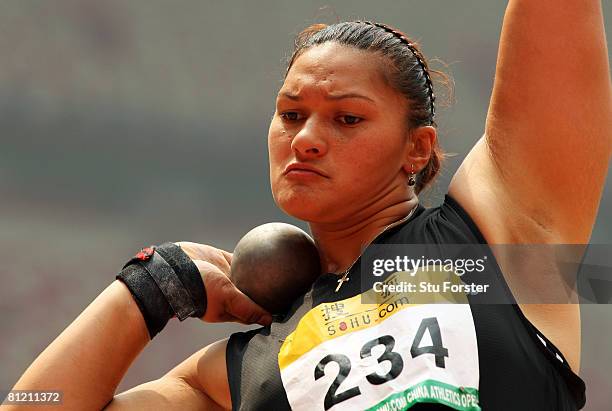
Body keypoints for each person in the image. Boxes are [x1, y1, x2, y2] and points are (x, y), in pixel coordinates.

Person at [8, 1, 610, 410]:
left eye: (346, 118)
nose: (305, 138)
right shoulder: (240, 372)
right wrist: (147, 290)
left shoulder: (496, 241)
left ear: (418, 147)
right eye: (291, 115)